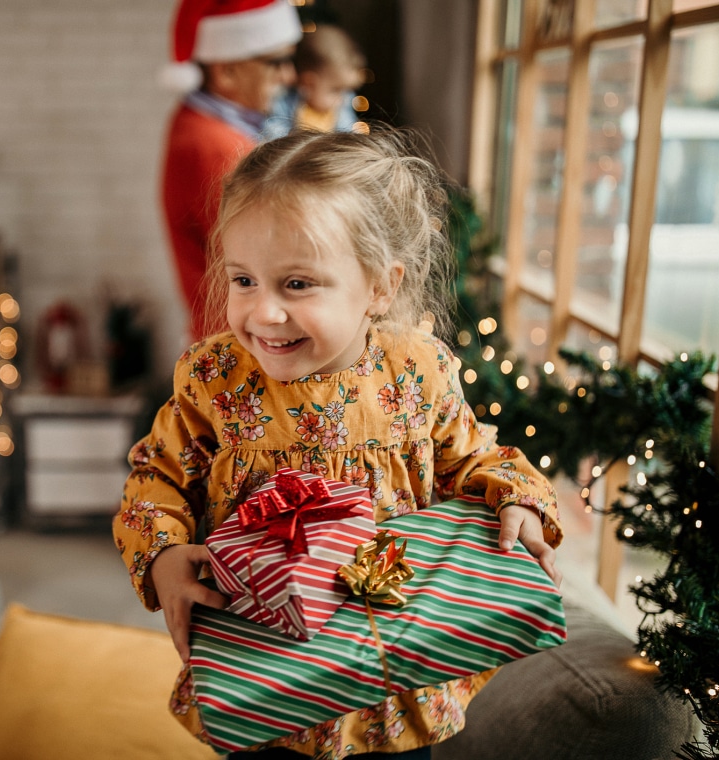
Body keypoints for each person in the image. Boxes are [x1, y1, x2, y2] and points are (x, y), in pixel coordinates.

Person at [114, 128, 564, 759]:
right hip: (266, 668)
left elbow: (475, 460)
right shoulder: (213, 377)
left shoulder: (419, 369)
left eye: (297, 284)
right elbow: (154, 477)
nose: (263, 312)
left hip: (392, 672)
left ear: (380, 287)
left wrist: (516, 498)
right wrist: (163, 556)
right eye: (244, 280)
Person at [160, 0, 303, 340]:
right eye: (276, 62)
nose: (289, 76)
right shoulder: (219, 149)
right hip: (245, 349)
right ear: (226, 71)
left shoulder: (201, 127)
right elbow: (277, 255)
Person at [262, 23, 367, 140]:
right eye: (335, 90)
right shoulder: (284, 105)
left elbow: (348, 138)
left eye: (346, 91)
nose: (343, 99)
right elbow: (274, 138)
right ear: (309, 83)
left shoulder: (341, 109)